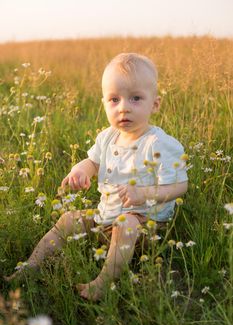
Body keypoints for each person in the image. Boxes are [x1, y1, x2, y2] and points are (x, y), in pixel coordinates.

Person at [6, 53, 188, 301]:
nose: (123, 107)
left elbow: (180, 186)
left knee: (127, 222)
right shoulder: (107, 136)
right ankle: (30, 266)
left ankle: (102, 284)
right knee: (69, 219)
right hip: (105, 219)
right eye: (114, 99)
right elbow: (92, 161)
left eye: (135, 98)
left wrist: (144, 194)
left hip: (146, 228)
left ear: (154, 104)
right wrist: (80, 170)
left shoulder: (158, 144)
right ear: (103, 103)